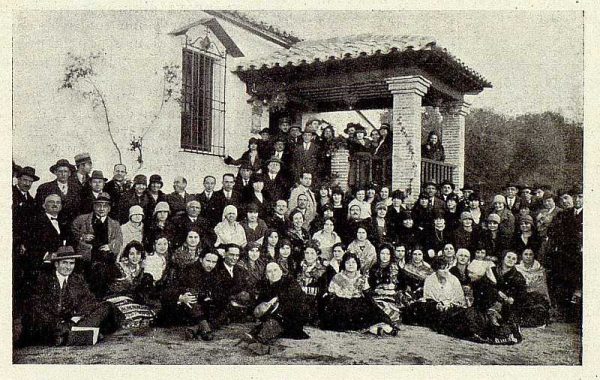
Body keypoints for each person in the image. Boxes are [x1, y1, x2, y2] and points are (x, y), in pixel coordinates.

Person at [22, 246, 115, 346]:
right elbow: (37, 306)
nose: (68, 267)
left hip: (72, 322)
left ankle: (71, 336)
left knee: (106, 307)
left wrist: (76, 317)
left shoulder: (77, 279)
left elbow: (89, 301)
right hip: (52, 324)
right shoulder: (44, 280)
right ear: (56, 264)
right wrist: (58, 323)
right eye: (65, 263)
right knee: (38, 320)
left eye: (72, 263)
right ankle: (81, 335)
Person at [243, 262, 310, 355]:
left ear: (281, 272)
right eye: (269, 271)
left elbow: (293, 299)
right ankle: (258, 337)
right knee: (270, 320)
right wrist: (259, 310)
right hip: (275, 317)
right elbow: (259, 305)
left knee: (276, 320)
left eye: (275, 270)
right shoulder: (265, 285)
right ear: (266, 275)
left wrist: (276, 299)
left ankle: (260, 339)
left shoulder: (290, 281)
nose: (273, 273)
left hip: (293, 316)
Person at [320, 252, 396, 333]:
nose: (351, 265)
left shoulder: (361, 278)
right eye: (348, 262)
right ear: (343, 264)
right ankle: (373, 329)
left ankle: (383, 328)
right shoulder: (337, 277)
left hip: (357, 303)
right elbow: (331, 294)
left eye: (353, 262)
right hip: (341, 304)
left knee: (372, 313)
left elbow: (367, 294)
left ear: (357, 264)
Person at [160, 250, 221, 340]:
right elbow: (168, 291)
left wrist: (209, 297)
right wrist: (181, 298)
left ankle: (195, 329)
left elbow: (217, 291)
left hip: (198, 309)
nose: (211, 265)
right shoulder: (189, 270)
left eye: (214, 262)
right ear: (201, 259)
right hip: (182, 306)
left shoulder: (214, 272)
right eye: (208, 261)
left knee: (220, 307)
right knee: (191, 293)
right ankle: (205, 329)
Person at [71, 192, 123, 298]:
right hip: (86, 260)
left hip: (106, 260)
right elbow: (72, 232)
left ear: (109, 208)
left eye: (105, 206)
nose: (101, 208)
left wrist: (110, 246)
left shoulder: (114, 224)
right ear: (94, 206)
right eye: (99, 205)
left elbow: (119, 240)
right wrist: (82, 236)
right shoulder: (82, 220)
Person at [106, 241, 157, 329]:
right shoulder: (119, 267)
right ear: (127, 255)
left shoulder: (140, 269)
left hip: (131, 299)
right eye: (131, 254)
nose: (135, 257)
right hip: (116, 297)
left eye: (138, 254)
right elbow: (113, 287)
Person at [35, 159, 81, 224]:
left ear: (69, 173)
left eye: (65, 171)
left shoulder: (77, 189)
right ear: (55, 172)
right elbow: (39, 209)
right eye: (60, 171)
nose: (63, 174)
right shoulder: (44, 188)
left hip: (72, 225)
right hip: (52, 225)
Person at [515, 248, 551, 327]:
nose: (528, 257)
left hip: (536, 296)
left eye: (530, 254)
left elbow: (543, 287)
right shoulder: (516, 269)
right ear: (522, 256)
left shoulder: (540, 270)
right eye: (526, 254)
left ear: (534, 256)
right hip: (521, 296)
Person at [369, 243, 402, 325]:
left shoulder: (395, 268)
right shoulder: (374, 267)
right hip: (376, 296)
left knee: (387, 309)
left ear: (391, 255)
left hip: (391, 297)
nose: (385, 256)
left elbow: (401, 285)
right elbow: (371, 284)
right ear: (379, 254)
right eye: (382, 253)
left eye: (387, 254)